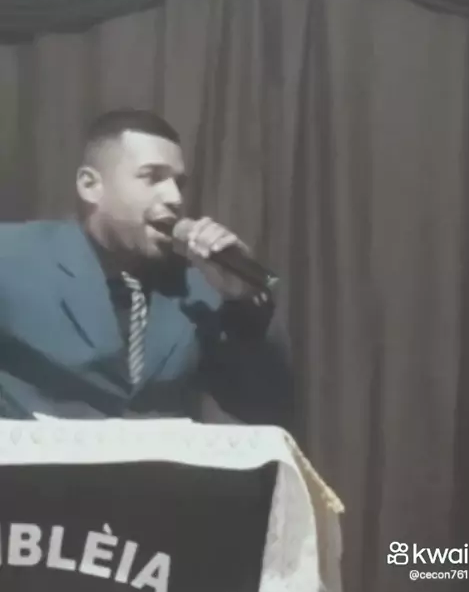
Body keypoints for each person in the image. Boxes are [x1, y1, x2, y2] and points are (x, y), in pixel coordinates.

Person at [0, 109, 294, 430]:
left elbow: (261, 410)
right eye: (152, 177)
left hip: (160, 464)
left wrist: (241, 301)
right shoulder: (12, 257)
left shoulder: (198, 286)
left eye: (179, 183)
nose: (174, 198)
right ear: (90, 185)